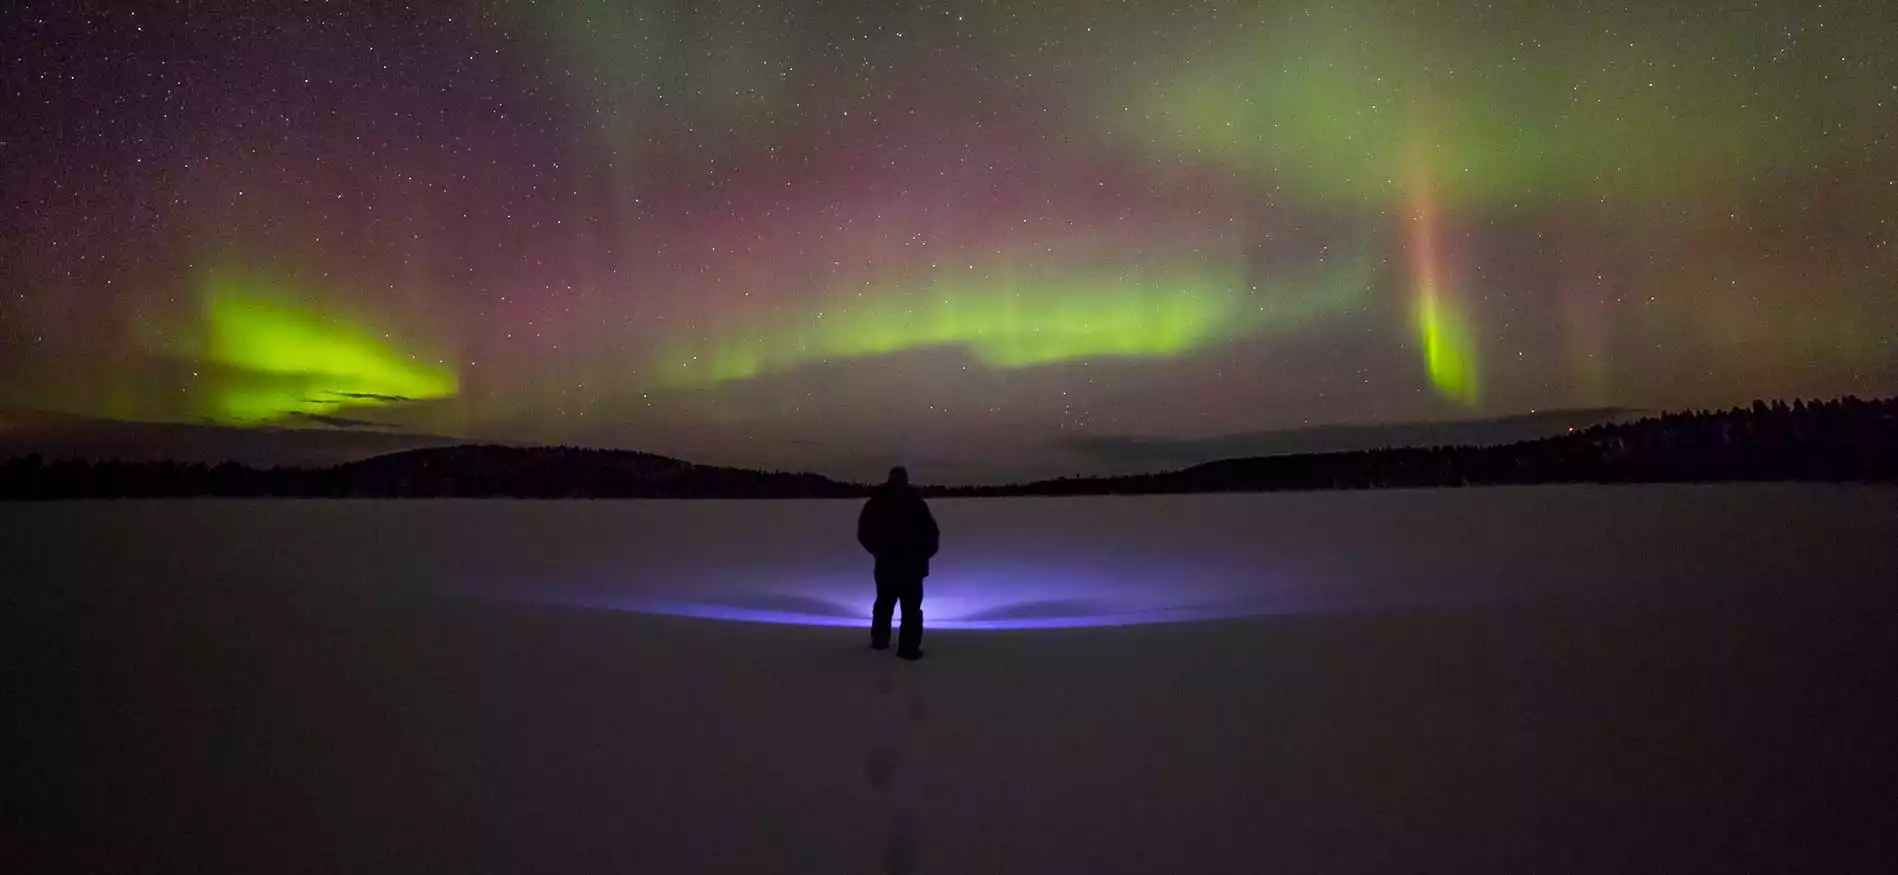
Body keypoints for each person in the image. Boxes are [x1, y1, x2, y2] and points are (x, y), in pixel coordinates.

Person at [856, 466, 938, 660]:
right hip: (904, 566)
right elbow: (931, 534)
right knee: (905, 609)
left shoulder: (879, 504)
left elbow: (931, 534)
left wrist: (880, 552)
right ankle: (905, 649)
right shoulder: (913, 504)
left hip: (897, 566)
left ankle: (883, 643)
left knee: (890, 606)